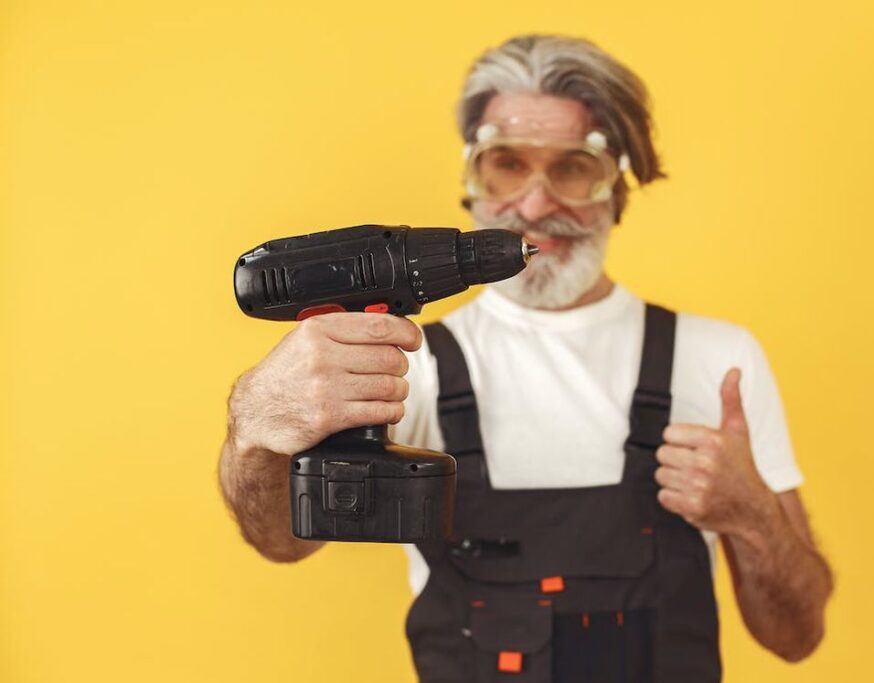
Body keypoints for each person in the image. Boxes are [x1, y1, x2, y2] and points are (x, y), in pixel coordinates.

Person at [219, 34, 833, 682]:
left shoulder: (718, 360)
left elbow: (797, 635)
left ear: (616, 187)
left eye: (572, 167)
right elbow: (282, 541)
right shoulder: (398, 364)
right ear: (472, 180)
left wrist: (753, 514)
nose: (536, 205)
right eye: (507, 163)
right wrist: (254, 428)